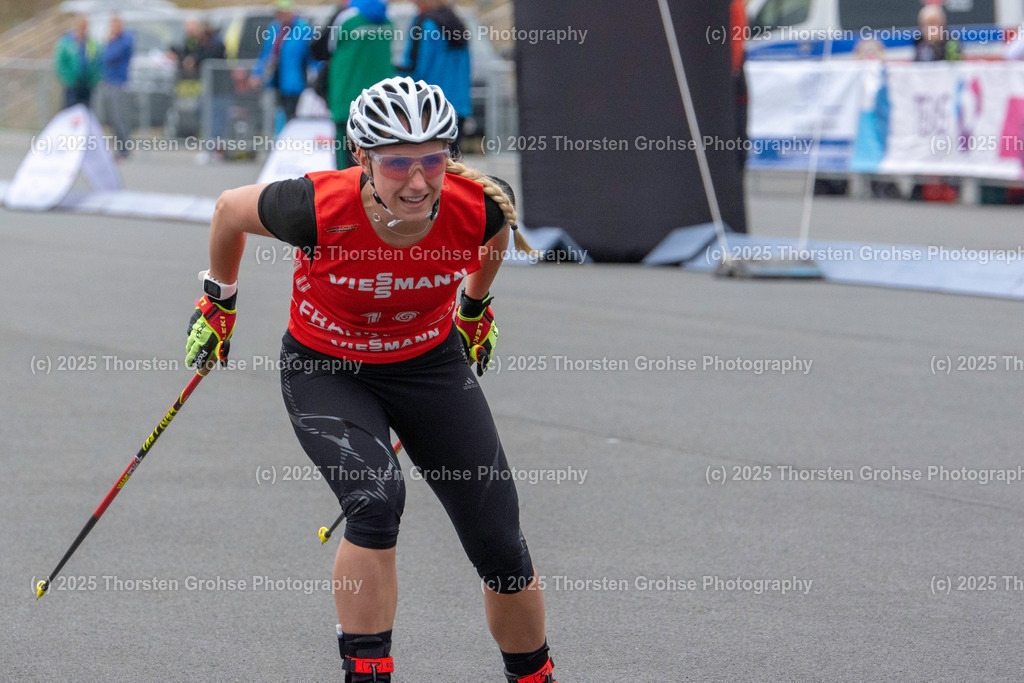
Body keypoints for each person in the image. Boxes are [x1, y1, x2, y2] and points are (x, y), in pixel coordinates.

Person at [184, 76, 556, 683]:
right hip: (327, 367)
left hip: (429, 366)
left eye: (433, 159)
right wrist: (218, 301)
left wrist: (473, 306)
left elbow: (492, 238)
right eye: (397, 163)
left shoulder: (478, 200)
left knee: (499, 540)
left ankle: (535, 675)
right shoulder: (313, 204)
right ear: (362, 158)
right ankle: (368, 672)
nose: (417, 180)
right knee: (376, 499)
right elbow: (228, 210)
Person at [314, 0, 394, 169]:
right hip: (381, 101)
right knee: (377, 153)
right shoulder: (388, 20)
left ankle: (349, 194)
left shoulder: (346, 18)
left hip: (347, 99)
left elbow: (320, 50)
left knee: (346, 159)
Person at [401, 0, 471, 151]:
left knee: (429, 162)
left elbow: (416, 66)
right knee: (452, 161)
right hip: (459, 104)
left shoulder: (424, 24)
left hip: (430, 105)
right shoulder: (458, 22)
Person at [250, 0, 318, 124]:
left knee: (295, 117)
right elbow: (266, 53)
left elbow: (313, 55)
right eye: (279, 12)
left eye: (284, 12)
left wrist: (319, 75)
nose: (281, 15)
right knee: (280, 115)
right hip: (277, 81)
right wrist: (257, 73)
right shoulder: (275, 28)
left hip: (298, 83)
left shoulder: (303, 29)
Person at [100, 15, 134, 159]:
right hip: (108, 81)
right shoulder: (112, 40)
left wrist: (110, 41)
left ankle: (124, 149)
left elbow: (112, 55)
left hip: (119, 83)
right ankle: (118, 148)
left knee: (120, 117)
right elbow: (102, 58)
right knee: (110, 116)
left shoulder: (125, 39)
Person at [54, 15, 101, 109]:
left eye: (85, 26)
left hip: (87, 85)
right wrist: (68, 78)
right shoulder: (67, 42)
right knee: (70, 111)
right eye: (81, 25)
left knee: (86, 112)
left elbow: (96, 62)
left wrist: (94, 79)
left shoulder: (91, 42)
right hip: (72, 85)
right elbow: (60, 63)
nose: (83, 28)